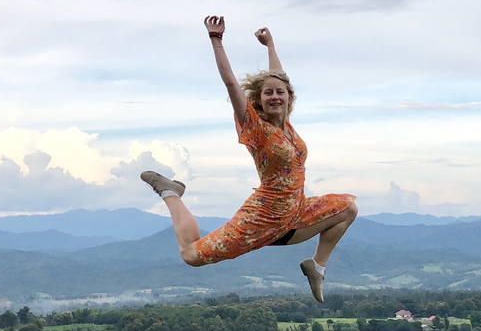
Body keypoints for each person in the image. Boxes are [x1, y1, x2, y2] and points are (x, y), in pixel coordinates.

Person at [140, 15, 357, 302]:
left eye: (280, 92)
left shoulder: (287, 127)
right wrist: (216, 41)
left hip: (296, 212)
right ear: (260, 99)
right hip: (262, 219)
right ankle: (171, 193)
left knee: (348, 209)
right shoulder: (256, 129)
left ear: (290, 98)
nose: (275, 96)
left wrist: (270, 45)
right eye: (268, 93)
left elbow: (279, 76)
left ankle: (316, 267)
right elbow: (231, 84)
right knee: (191, 255)